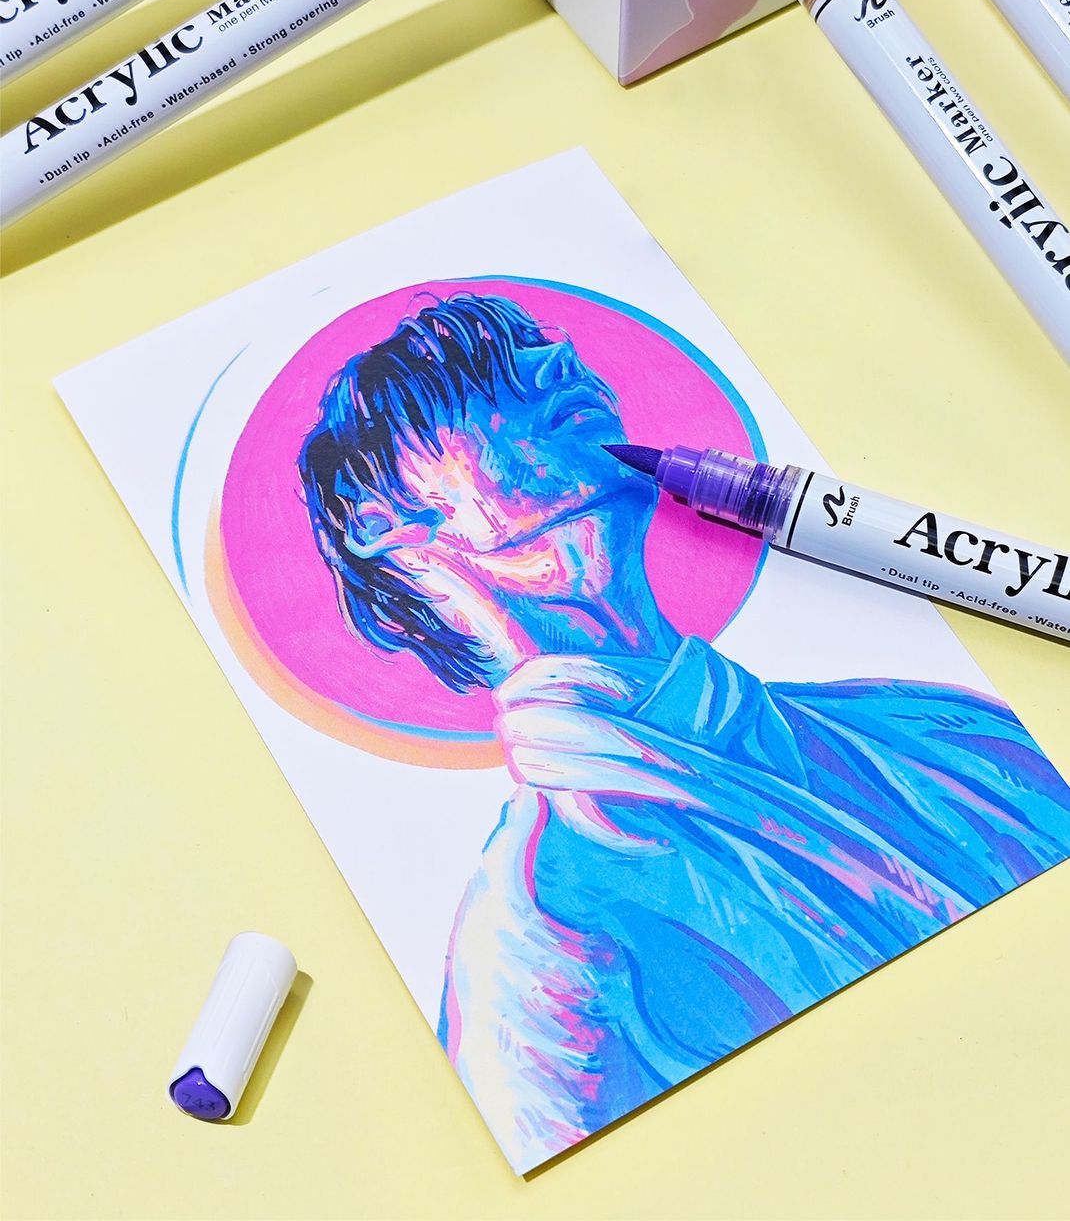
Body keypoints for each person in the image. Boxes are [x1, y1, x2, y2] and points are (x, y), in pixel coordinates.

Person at [299, 292, 1070, 1170]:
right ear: (385, 527)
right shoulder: (542, 944)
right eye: (475, 380)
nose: (559, 363)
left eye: (543, 349)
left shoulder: (949, 729)